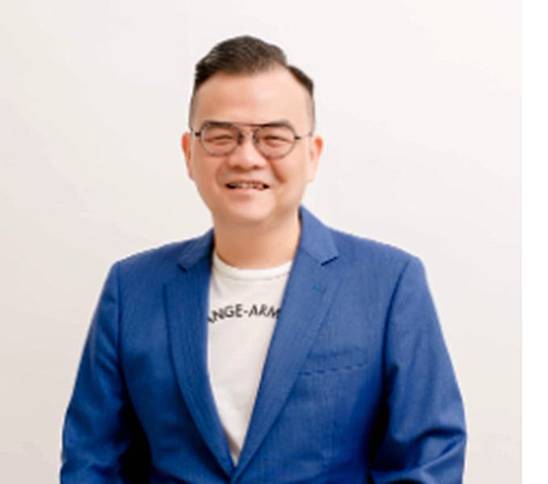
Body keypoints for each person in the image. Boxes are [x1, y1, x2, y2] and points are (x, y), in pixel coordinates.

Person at [60, 35, 467, 483]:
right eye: (221, 136)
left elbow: (428, 461)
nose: (246, 157)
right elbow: (92, 461)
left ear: (311, 155)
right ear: (189, 153)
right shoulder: (132, 288)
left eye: (273, 138)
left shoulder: (389, 284)